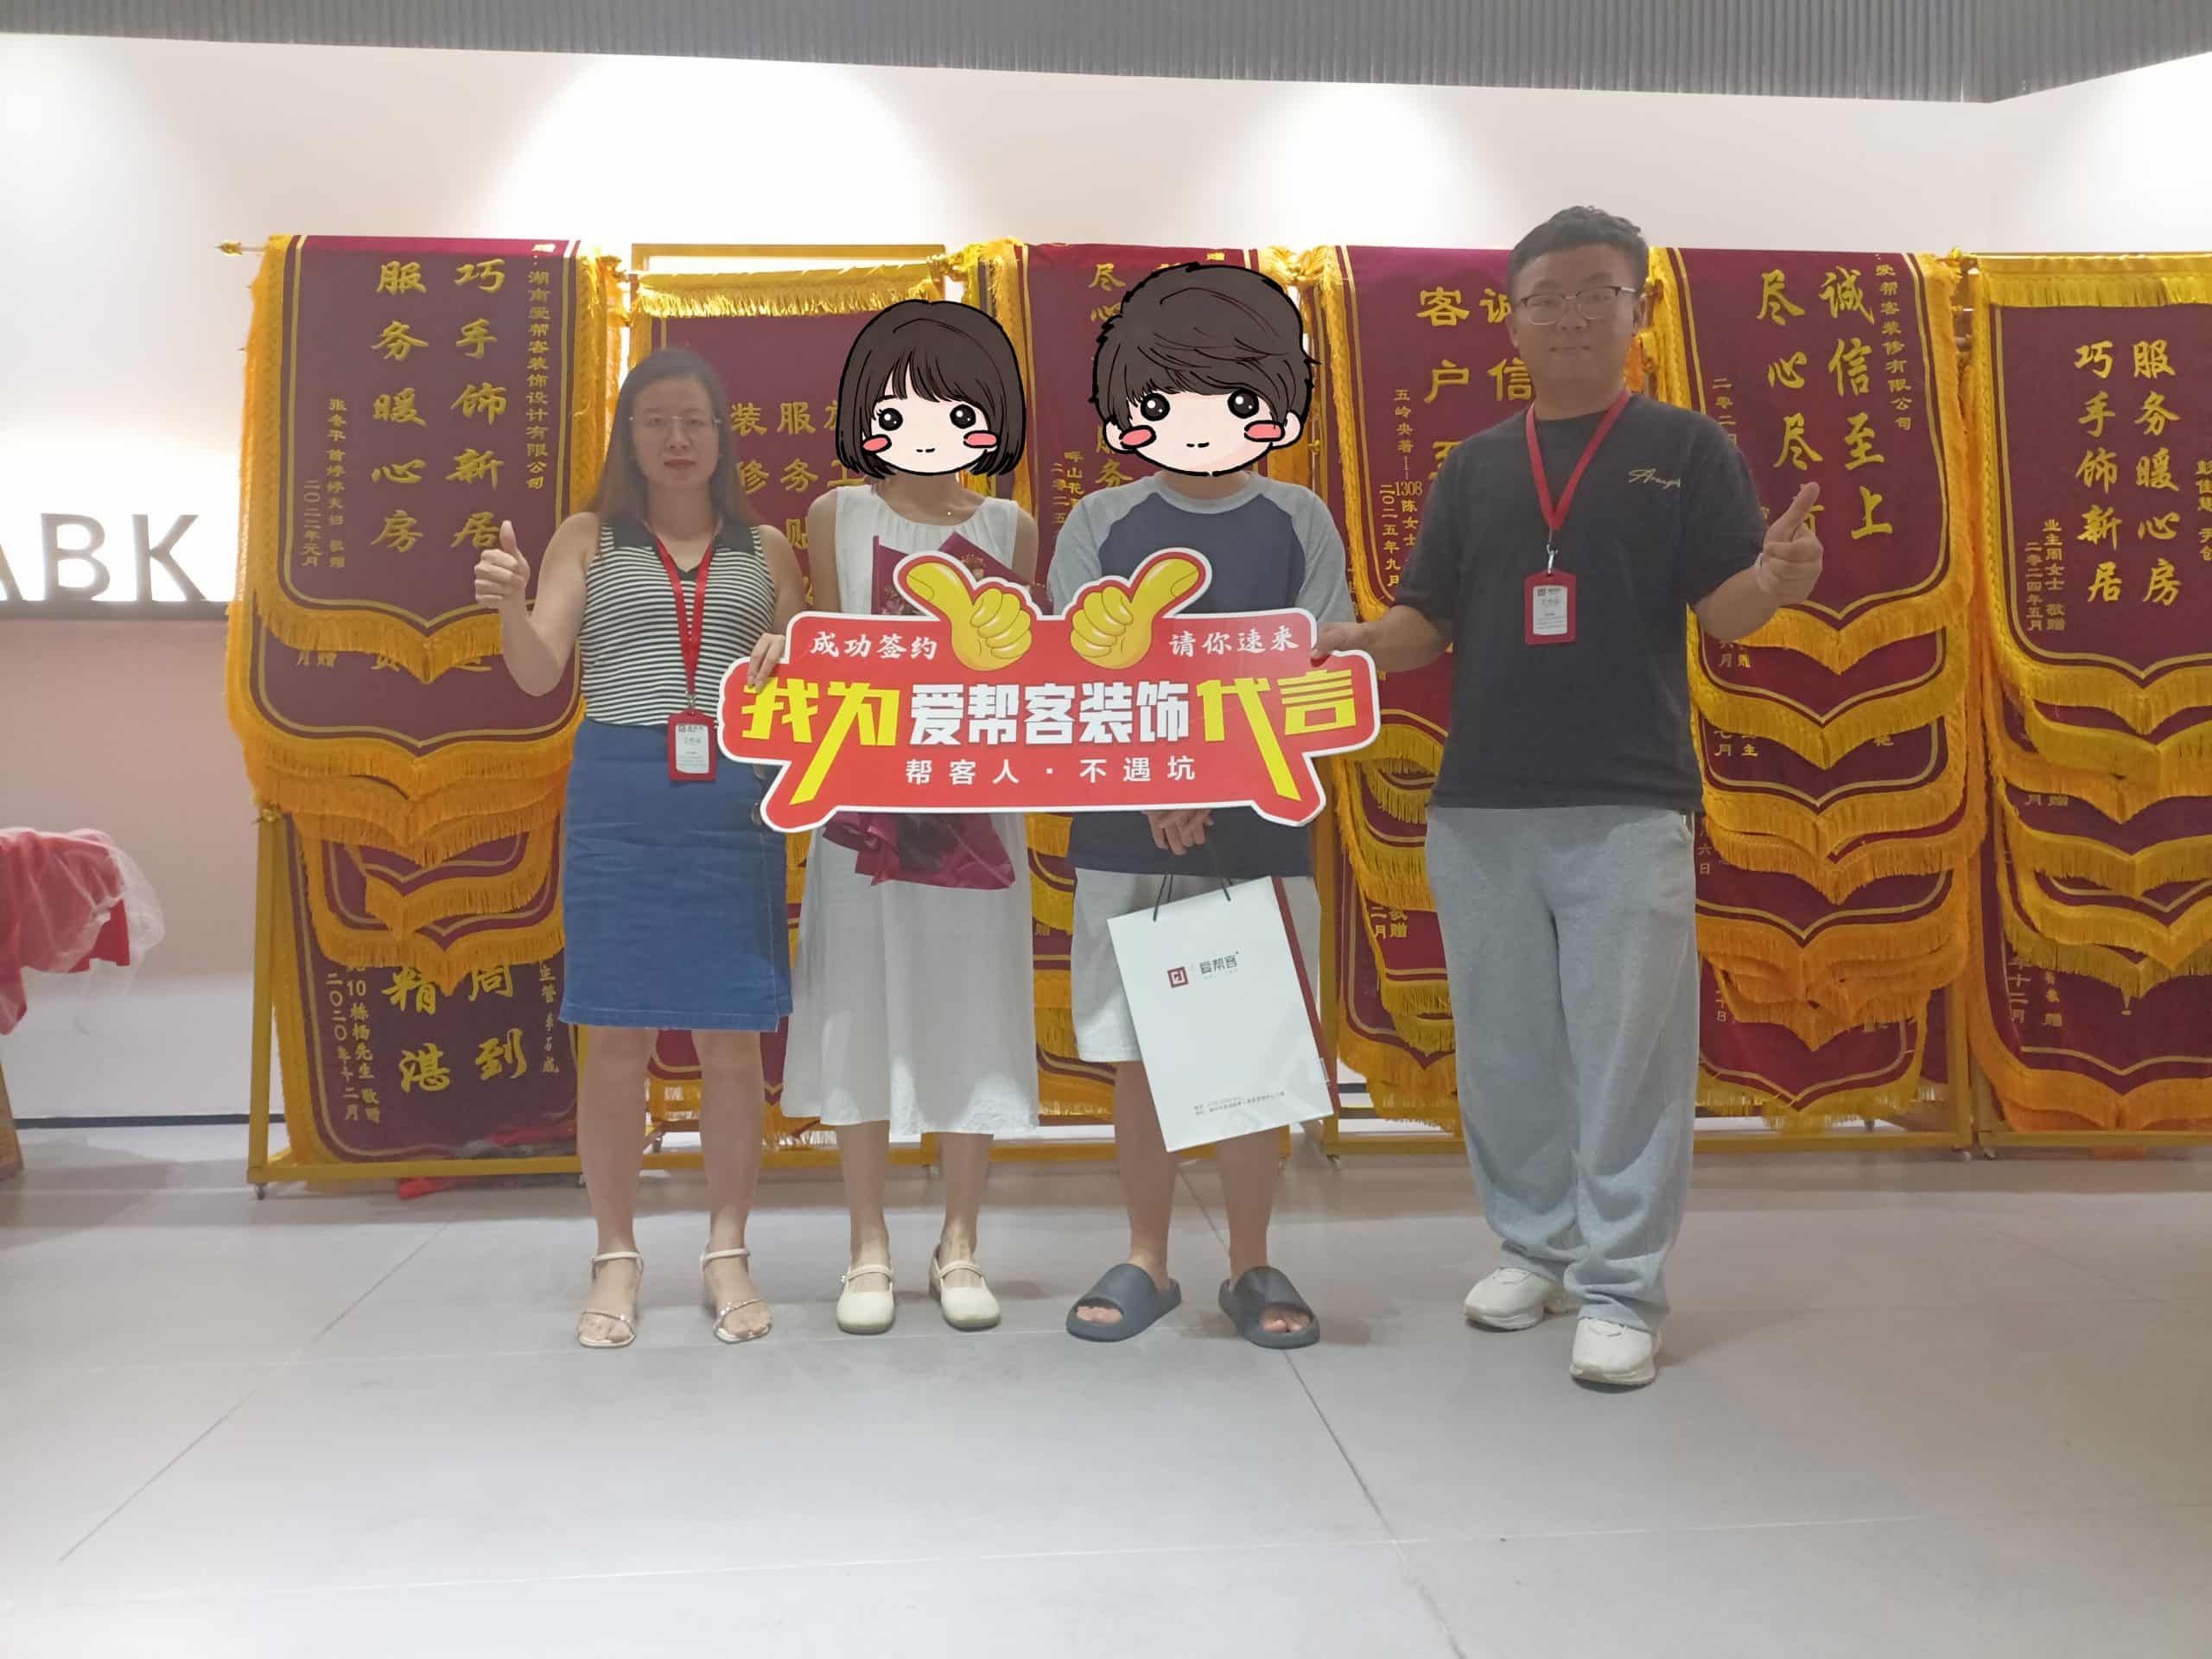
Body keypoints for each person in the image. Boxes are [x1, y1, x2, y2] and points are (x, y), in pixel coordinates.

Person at [1316, 207, 1823, 1389]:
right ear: (1513, 321)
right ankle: (1533, 1248)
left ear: (1638, 310)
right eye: (1545, 297)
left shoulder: (1685, 449)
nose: (1570, 316)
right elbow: (1425, 621)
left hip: (1628, 800)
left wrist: (1778, 578)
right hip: (1480, 802)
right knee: (1505, 1050)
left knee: (1627, 1053)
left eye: (1597, 293)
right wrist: (1356, 641)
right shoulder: (1475, 466)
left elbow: (1725, 610)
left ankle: (1622, 1286)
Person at [474, 347, 807, 1350]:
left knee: (731, 1042)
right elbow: (539, 672)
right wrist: (508, 606)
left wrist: (792, 655)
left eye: (694, 420)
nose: (676, 439)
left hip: (733, 802)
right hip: (618, 793)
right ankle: (614, 1254)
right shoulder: (589, 537)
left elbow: (808, 692)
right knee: (614, 1038)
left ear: (722, 436)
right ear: (628, 437)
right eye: (654, 420)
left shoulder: (768, 550)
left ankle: (727, 1250)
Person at [1047, 263, 1352, 1350]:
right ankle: (1146, 1257)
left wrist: (1208, 776)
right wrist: (1158, 777)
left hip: (1258, 820)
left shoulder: (1298, 517)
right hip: (1125, 821)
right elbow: (1072, 670)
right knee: (1138, 1050)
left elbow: (1316, 664)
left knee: (1246, 1042)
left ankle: (1250, 1261)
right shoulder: (1101, 519)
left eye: (1230, 387)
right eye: (1170, 387)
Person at [782, 300, 1040, 1335]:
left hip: (976, 813)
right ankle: (868, 1244)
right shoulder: (835, 515)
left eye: (957, 405)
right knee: (858, 1009)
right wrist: (784, 651)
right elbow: (819, 642)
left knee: (973, 1008)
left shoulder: (1010, 527)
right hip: (863, 815)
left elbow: (1025, 670)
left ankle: (960, 1243)